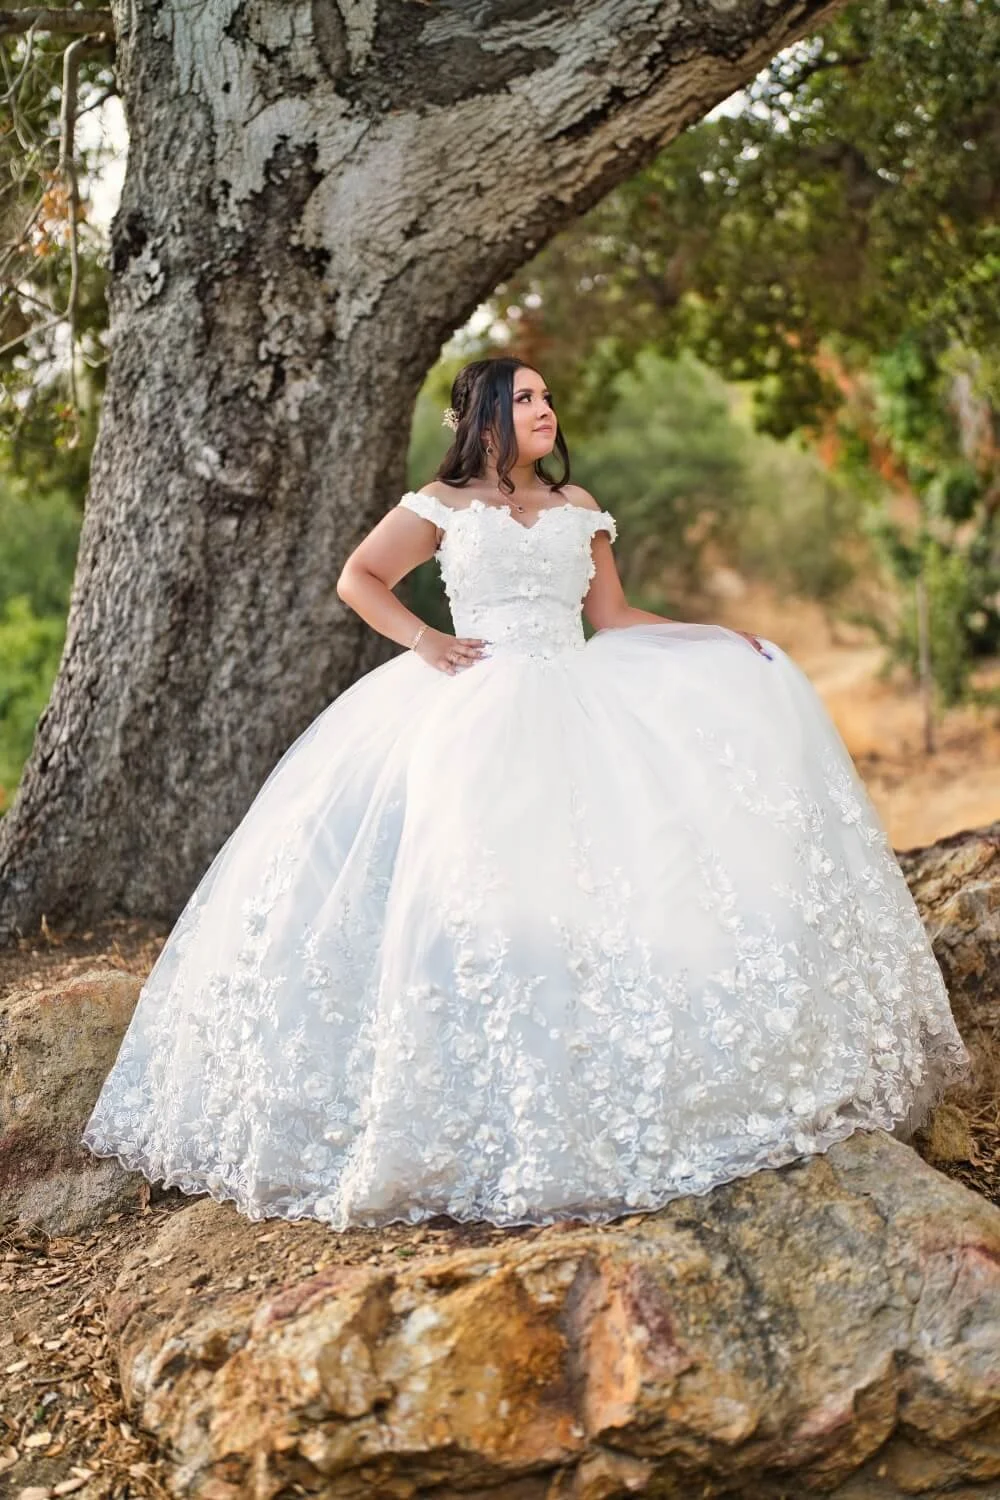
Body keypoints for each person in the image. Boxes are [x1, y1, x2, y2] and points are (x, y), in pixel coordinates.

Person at [81, 355, 971, 1230]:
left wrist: (716, 637)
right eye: (527, 397)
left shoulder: (576, 508)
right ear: (485, 416)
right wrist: (425, 642)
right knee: (479, 891)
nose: (547, 408)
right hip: (477, 707)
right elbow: (359, 578)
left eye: (549, 395)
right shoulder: (440, 506)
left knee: (604, 879)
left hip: (578, 700)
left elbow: (613, 619)